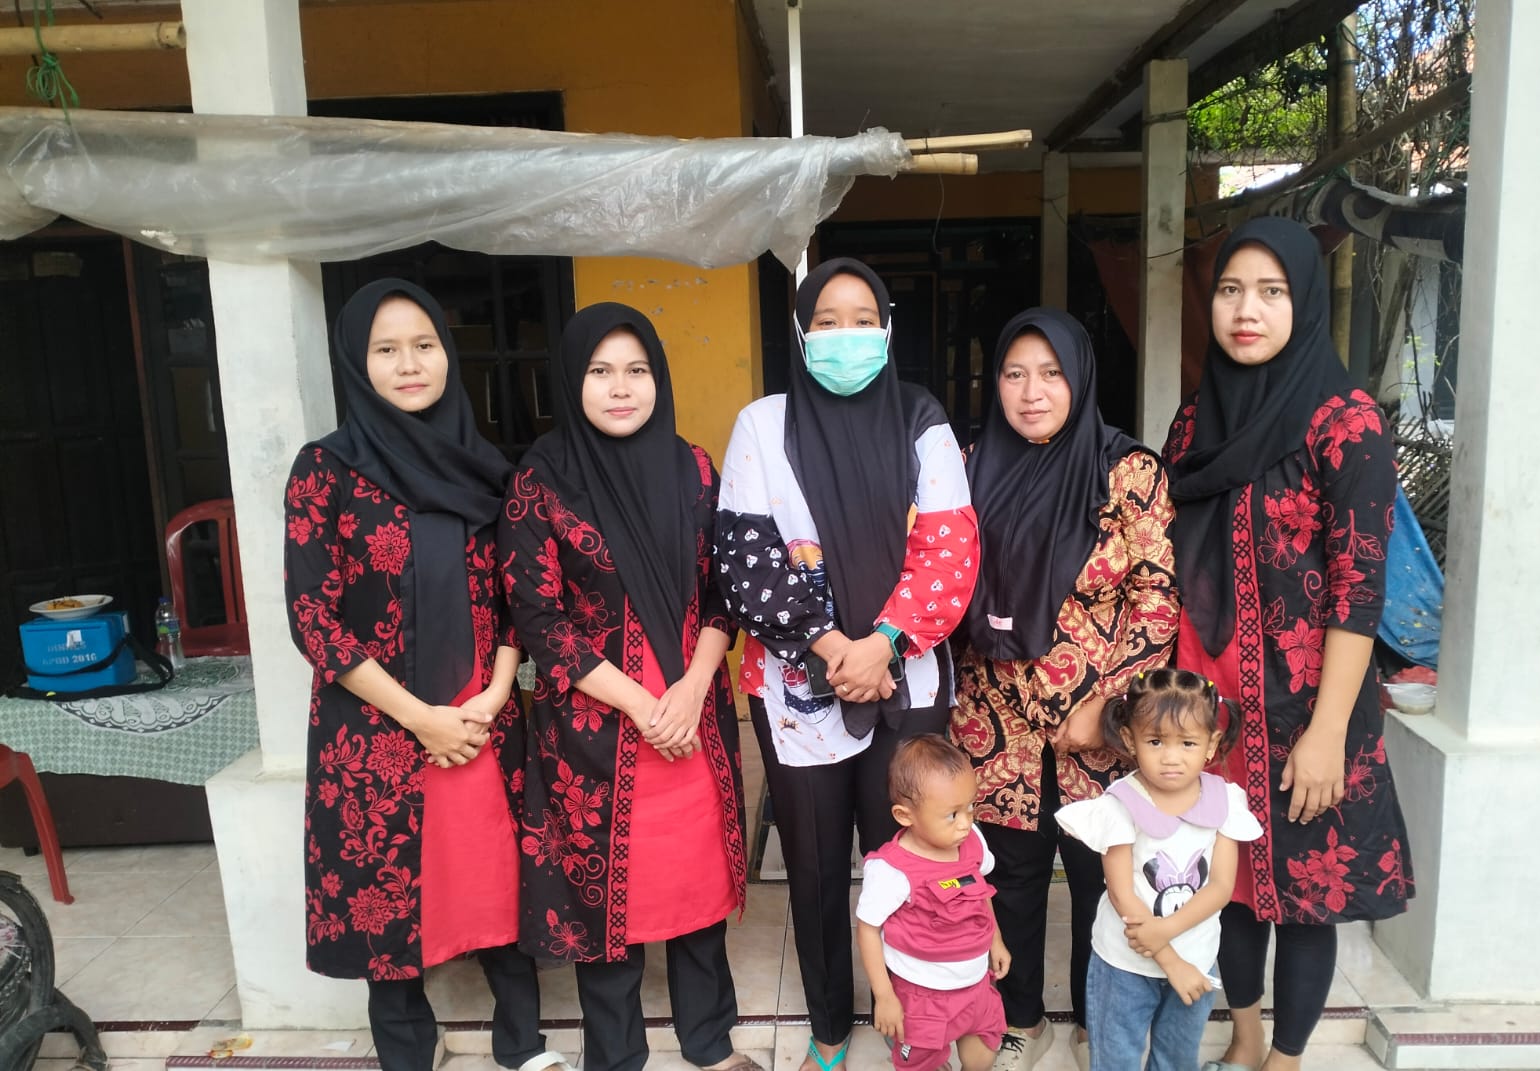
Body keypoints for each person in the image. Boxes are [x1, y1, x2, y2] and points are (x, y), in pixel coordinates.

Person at [284, 279, 564, 1071]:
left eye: (424, 345)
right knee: (387, 895)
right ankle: (407, 1051)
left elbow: (517, 598)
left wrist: (495, 696)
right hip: (376, 729)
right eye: (386, 349)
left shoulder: (489, 469)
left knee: (498, 878)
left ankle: (523, 1045)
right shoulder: (326, 470)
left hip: (481, 719)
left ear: (448, 353)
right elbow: (313, 617)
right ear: (356, 361)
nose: (410, 364)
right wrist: (419, 717)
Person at [1163, 217, 1414, 1071]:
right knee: (1230, 882)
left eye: (1271, 292)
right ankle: (1243, 1038)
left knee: (1305, 894)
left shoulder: (1345, 423)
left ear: (1302, 302)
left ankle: (1288, 1057)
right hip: (1212, 706)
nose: (1247, 310)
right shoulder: (1194, 422)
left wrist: (1328, 732)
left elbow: (1359, 588)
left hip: (1309, 707)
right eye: (1232, 290)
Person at [717, 258, 978, 1071]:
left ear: (888, 328)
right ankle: (830, 1025)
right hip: (798, 692)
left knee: (912, 860)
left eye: (862, 319)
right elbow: (747, 558)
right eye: (825, 322)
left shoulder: (921, 418)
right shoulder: (762, 425)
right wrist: (836, 648)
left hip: (908, 682)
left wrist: (883, 644)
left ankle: (919, 1012)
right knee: (817, 868)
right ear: (800, 334)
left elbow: (949, 548)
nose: (845, 336)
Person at [499, 303, 754, 1071]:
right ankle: (615, 1056)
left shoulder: (693, 469)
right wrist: (644, 704)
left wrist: (695, 686)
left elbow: (723, 592)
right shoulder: (541, 480)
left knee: (698, 892)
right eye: (600, 371)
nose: (620, 388)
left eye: (636, 370)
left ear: (658, 378)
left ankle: (709, 1042)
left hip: (692, 717)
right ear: (572, 381)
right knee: (605, 904)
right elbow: (538, 617)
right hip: (598, 731)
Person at [949, 308, 1179, 1071]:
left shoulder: (1129, 472)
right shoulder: (970, 464)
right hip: (996, 722)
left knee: (1099, 877)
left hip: (1098, 725)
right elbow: (946, 577)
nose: (1032, 392)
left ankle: (1093, 1017)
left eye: (1050, 373)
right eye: (1014, 374)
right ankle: (1022, 1017)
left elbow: (1156, 598)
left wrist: (1109, 706)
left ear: (1079, 378)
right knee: (1009, 875)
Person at [1056, 670, 1262, 1071]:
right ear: (1130, 739)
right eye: (1155, 741)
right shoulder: (1119, 806)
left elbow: (1221, 886)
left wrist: (1169, 939)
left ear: (1211, 744)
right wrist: (1170, 960)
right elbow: (1122, 896)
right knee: (1116, 1060)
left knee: (1176, 1060)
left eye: (1187, 743)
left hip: (1196, 960)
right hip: (1123, 966)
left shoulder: (1225, 801)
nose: (1171, 757)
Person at [857, 735, 1011, 1071]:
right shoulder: (891, 871)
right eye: (952, 814)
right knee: (921, 1063)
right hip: (922, 998)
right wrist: (884, 996)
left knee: (983, 1054)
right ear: (905, 815)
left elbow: (980, 894)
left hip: (976, 985)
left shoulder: (972, 842)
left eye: (970, 807)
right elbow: (868, 930)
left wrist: (995, 941)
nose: (966, 822)